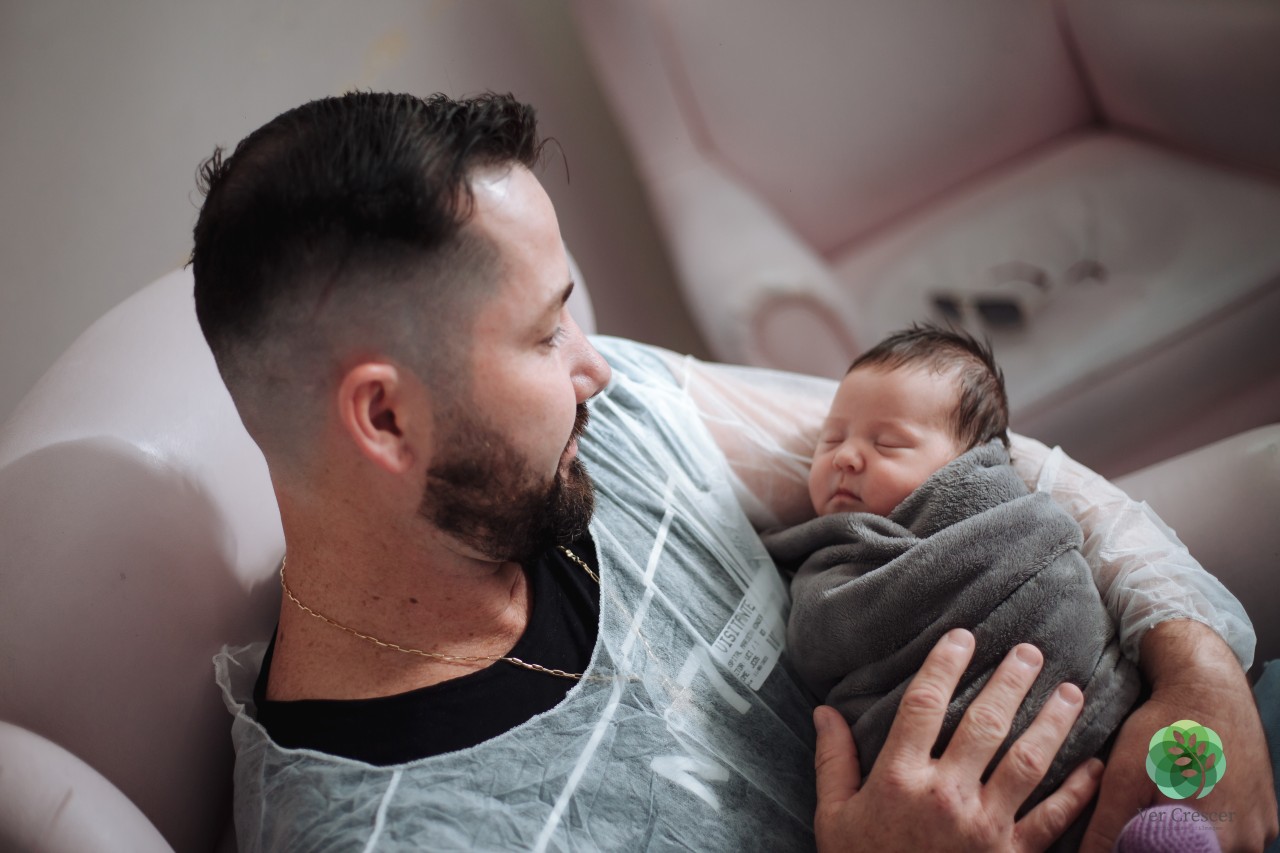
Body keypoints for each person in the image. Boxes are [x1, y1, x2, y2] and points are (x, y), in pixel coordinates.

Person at [192, 91, 1276, 851]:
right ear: (385, 416)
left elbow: (1002, 466)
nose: (595, 368)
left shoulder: (613, 422)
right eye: (541, 334)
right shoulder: (398, 834)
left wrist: (1199, 678)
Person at [763, 324, 1140, 811]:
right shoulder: (837, 558)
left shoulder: (1010, 519)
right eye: (830, 440)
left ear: (967, 464)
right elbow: (822, 639)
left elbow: (1057, 573)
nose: (846, 457)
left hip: (1104, 721)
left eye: (890, 444)